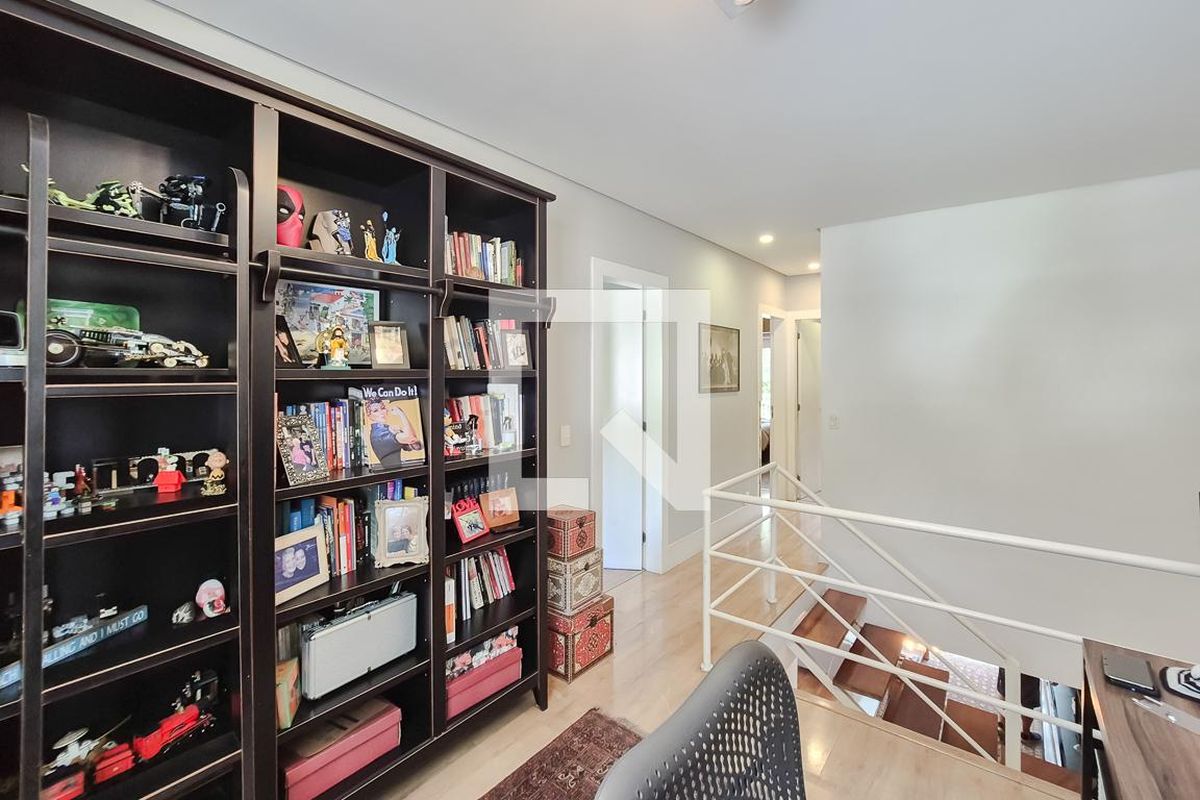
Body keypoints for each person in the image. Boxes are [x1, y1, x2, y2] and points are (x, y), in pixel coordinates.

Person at [997, 668, 1043, 742]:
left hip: (1007, 665)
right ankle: (1025, 733)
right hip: (1029, 670)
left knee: (1004, 691)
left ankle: (1001, 725)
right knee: (1028, 702)